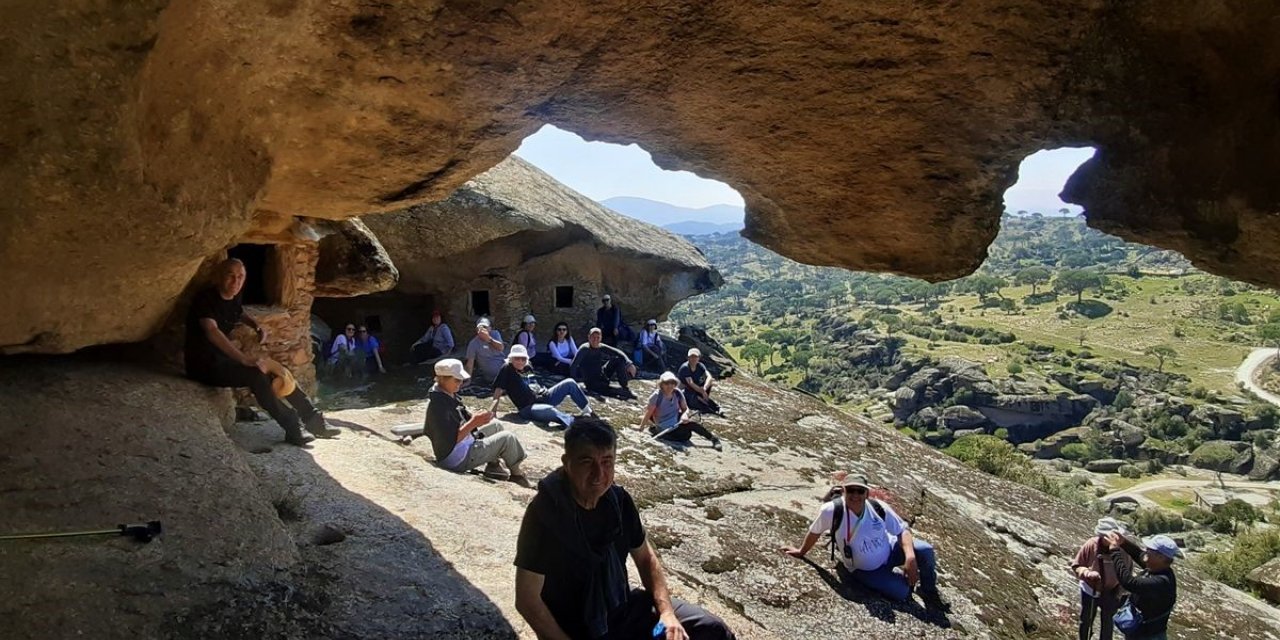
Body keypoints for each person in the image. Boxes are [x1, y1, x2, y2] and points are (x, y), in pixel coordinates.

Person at [514, 416, 736, 640]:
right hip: (575, 624)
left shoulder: (618, 502)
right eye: (587, 462)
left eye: (607, 462)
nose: (598, 475)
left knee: (712, 629)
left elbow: (646, 559)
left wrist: (667, 613)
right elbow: (527, 600)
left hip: (619, 604)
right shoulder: (545, 513)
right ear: (566, 462)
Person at [184, 258, 339, 446]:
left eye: (240, 277)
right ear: (219, 276)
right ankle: (292, 427)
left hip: (223, 360)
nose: (236, 282)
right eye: (230, 276)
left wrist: (255, 324)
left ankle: (314, 420)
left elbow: (237, 311)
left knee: (278, 371)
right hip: (203, 364)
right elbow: (212, 331)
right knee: (256, 376)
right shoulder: (205, 299)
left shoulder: (234, 296)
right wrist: (243, 359)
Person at [780, 473, 943, 606]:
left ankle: (928, 589)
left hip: (890, 550)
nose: (855, 495)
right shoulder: (832, 511)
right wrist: (802, 551)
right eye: (851, 490)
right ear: (844, 491)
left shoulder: (877, 507)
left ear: (867, 493)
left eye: (860, 491)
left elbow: (902, 530)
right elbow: (815, 532)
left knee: (925, 550)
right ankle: (903, 582)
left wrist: (910, 557)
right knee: (903, 593)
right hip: (865, 570)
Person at [424, 358, 529, 485]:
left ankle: (493, 466)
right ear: (441, 378)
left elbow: (461, 418)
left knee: (496, 425)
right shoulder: (439, 405)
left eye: (461, 380)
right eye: (456, 380)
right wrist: (474, 422)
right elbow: (451, 439)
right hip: (456, 458)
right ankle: (517, 475)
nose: (460, 383)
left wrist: (477, 418)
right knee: (507, 438)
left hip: (461, 446)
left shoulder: (446, 394)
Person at [492, 344, 593, 428]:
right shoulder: (507, 369)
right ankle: (576, 422)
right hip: (528, 408)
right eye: (517, 358)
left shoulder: (528, 366)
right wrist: (493, 412)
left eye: (523, 359)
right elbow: (498, 390)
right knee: (550, 410)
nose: (520, 361)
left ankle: (588, 412)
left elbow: (534, 385)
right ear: (511, 358)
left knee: (570, 382)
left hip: (544, 396)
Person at [1104, 531, 1178, 640]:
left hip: (1149, 636)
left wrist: (1114, 550)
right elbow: (1139, 554)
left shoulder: (1162, 581)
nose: (1146, 551)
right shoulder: (1157, 567)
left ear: (1161, 557)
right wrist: (1123, 542)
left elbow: (1129, 582)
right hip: (1140, 632)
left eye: (1150, 550)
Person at [1072, 517, 1128, 640]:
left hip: (1112, 592)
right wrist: (1087, 573)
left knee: (1108, 623)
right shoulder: (1091, 545)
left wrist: (1119, 591)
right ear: (1102, 536)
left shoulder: (1123, 551)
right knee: (1086, 621)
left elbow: (1127, 573)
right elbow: (1076, 565)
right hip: (1090, 590)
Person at [641, 371, 722, 451]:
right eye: (667, 383)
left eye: (672, 383)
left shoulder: (677, 393)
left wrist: (684, 415)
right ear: (661, 384)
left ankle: (713, 439)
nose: (670, 386)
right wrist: (641, 428)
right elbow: (648, 413)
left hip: (676, 418)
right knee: (684, 435)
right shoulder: (656, 396)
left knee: (692, 424)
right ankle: (659, 432)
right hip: (664, 425)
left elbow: (685, 408)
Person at [571, 328, 637, 399]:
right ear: (589, 337)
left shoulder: (600, 346)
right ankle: (623, 391)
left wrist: (629, 363)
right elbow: (573, 366)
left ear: (601, 338)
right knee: (621, 394)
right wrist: (575, 382)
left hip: (602, 376)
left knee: (617, 359)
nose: (595, 340)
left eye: (598, 337)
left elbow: (618, 352)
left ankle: (625, 386)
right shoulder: (584, 349)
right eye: (593, 337)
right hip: (593, 383)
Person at [678, 349, 722, 416]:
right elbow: (690, 383)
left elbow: (709, 377)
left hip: (697, 389)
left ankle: (716, 407)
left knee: (708, 385)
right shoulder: (685, 368)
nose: (693, 359)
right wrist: (703, 392)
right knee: (696, 401)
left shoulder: (700, 366)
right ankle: (710, 407)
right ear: (688, 358)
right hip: (686, 390)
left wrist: (704, 388)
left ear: (699, 358)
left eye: (695, 357)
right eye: (691, 357)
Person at [465, 317, 506, 386]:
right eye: (480, 327)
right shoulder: (473, 343)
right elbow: (470, 363)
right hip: (489, 377)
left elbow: (501, 348)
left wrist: (489, 339)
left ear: (490, 328)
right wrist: (468, 380)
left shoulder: (495, 334)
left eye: (485, 327)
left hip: (503, 371)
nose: (482, 329)